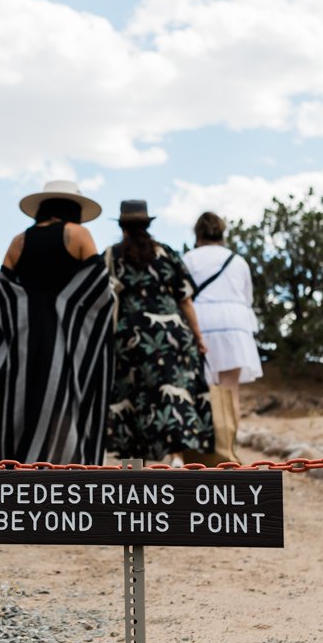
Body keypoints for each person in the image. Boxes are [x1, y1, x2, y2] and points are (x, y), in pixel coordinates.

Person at [0, 179, 114, 481]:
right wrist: (64, 308)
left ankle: (17, 483)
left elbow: (3, 292)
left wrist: (26, 316)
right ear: (73, 208)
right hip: (63, 343)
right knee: (62, 408)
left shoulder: (18, 241)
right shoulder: (78, 234)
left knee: (20, 409)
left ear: (43, 208)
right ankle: (64, 480)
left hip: (22, 344)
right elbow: (100, 289)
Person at [103, 200, 214, 467]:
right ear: (147, 225)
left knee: (133, 396)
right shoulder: (167, 253)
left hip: (131, 337)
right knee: (176, 391)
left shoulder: (111, 256)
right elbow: (185, 299)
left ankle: (134, 465)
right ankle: (177, 458)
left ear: (122, 226)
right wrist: (198, 338)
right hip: (173, 335)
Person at [182, 210, 262, 464]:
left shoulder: (189, 259)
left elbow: (183, 295)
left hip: (201, 322)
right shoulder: (238, 262)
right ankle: (227, 450)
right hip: (234, 326)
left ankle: (199, 452)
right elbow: (247, 298)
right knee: (230, 391)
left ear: (198, 234)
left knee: (197, 391)